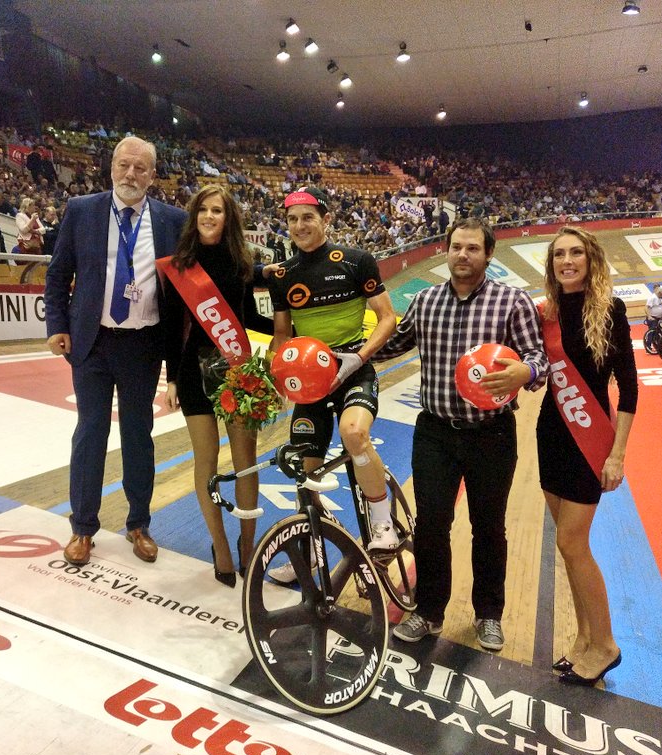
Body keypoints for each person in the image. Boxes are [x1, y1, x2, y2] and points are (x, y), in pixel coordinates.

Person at [373, 217, 547, 651]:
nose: (463, 255)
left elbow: (537, 359)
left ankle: (489, 614)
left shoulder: (512, 302)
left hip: (492, 434)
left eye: (473, 248)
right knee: (432, 525)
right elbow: (392, 344)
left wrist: (525, 372)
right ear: (445, 251)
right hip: (434, 433)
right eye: (456, 247)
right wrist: (344, 349)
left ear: (489, 254)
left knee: (489, 527)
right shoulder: (426, 300)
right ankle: (429, 611)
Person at [44, 135, 187, 567]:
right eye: (124, 165)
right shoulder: (82, 210)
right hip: (92, 341)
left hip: (143, 345)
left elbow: (184, 290)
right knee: (90, 433)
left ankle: (138, 524)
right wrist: (56, 326)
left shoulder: (172, 221)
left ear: (153, 175)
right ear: (111, 167)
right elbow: (57, 276)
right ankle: (82, 528)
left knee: (138, 436)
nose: (131, 175)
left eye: (140, 168)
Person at [266, 186, 399, 586]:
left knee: (354, 433)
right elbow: (282, 337)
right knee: (305, 471)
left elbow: (388, 319)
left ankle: (382, 526)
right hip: (312, 382)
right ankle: (308, 554)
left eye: (308, 217)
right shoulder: (284, 275)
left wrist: (358, 358)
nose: (300, 226)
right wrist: (274, 380)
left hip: (353, 368)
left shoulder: (357, 261)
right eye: (292, 219)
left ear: (325, 220)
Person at [536, 226, 636, 687]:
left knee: (574, 545)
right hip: (551, 433)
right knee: (566, 545)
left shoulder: (610, 311)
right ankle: (583, 639)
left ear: (590, 259)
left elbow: (630, 390)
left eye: (576, 252)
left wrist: (617, 455)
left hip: (589, 440)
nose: (567, 260)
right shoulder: (546, 313)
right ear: (552, 263)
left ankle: (607, 644)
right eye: (560, 254)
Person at [161, 184, 274, 587]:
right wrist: (172, 376)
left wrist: (287, 326)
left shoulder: (242, 262)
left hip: (237, 370)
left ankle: (248, 545)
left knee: (246, 461)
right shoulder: (179, 265)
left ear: (229, 219)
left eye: (218, 211)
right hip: (194, 373)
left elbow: (248, 318)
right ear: (194, 216)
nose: (210, 216)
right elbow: (172, 327)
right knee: (205, 462)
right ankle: (221, 547)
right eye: (204, 210)